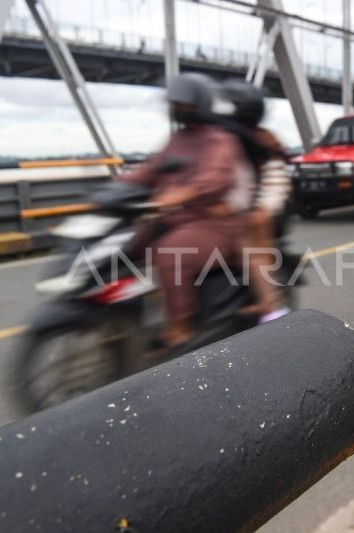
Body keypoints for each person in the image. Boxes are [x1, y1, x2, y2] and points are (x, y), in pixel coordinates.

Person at [121, 73, 253, 350]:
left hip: (215, 222)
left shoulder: (219, 139)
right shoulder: (178, 138)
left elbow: (215, 177)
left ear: (201, 104)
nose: (180, 110)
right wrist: (113, 189)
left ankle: (180, 325)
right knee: (129, 245)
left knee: (171, 253)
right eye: (176, 104)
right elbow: (150, 169)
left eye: (186, 104)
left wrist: (183, 193)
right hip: (178, 218)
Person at [220, 79, 292, 323]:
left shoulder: (263, 141)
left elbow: (274, 184)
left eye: (232, 106)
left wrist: (260, 209)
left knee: (250, 235)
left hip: (267, 209)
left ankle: (269, 305)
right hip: (237, 207)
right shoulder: (222, 137)